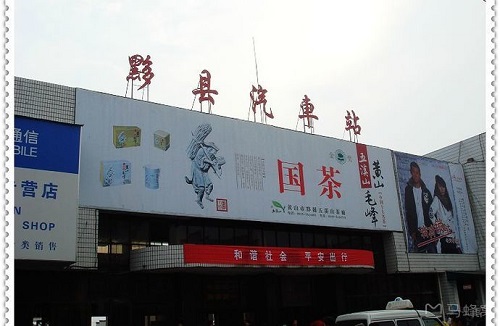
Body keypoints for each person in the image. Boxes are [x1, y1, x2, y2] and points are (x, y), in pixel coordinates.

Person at [404, 161, 437, 253]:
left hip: (428, 229)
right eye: (413, 172)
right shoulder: (408, 190)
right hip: (417, 231)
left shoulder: (426, 191)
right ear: (411, 173)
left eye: (417, 172)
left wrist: (435, 231)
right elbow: (408, 211)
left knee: (433, 254)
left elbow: (432, 212)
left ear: (420, 174)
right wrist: (412, 231)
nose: (415, 175)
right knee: (420, 256)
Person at [429, 175, 462, 254]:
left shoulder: (448, 201)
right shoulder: (437, 199)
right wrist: (440, 227)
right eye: (440, 186)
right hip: (444, 236)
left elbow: (453, 222)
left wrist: (458, 244)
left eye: (443, 186)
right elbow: (430, 213)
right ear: (437, 188)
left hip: (452, 237)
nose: (442, 189)